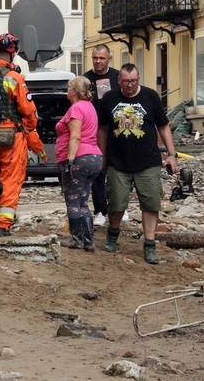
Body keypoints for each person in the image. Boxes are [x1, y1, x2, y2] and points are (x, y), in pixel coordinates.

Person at [97, 63, 179, 264]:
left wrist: (172, 154)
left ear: (139, 79)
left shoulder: (151, 97)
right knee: (116, 202)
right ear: (119, 81)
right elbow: (102, 129)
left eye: (133, 81)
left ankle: (149, 245)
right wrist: (101, 155)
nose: (130, 85)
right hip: (117, 161)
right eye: (125, 81)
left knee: (151, 203)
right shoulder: (109, 98)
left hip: (148, 161)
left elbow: (163, 126)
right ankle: (113, 234)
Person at [0, 33, 42, 237]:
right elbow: (27, 110)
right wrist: (30, 129)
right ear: (13, 53)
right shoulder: (14, 78)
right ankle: (3, 226)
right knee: (11, 179)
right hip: (12, 136)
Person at [55, 76, 103, 252]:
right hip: (94, 157)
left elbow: (75, 136)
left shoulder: (76, 108)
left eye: (69, 88)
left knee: (73, 201)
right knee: (83, 201)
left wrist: (69, 161)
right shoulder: (90, 107)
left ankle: (77, 239)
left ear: (74, 91)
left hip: (80, 158)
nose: (67, 91)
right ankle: (89, 240)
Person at [82, 44, 120, 227]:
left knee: (119, 171)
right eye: (95, 58)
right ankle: (99, 210)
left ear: (109, 59)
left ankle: (119, 207)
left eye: (101, 58)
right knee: (98, 171)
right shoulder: (85, 79)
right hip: (93, 132)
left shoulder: (118, 77)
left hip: (116, 131)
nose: (98, 61)